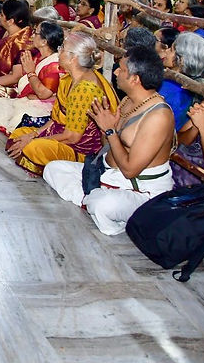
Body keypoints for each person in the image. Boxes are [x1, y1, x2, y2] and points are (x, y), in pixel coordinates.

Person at [44, 47, 175, 235]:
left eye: (121, 69)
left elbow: (130, 170)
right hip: (109, 173)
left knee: (102, 205)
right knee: (53, 169)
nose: (115, 72)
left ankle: (97, 202)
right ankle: (92, 196)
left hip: (140, 190)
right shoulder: (128, 101)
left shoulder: (158, 116)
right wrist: (107, 128)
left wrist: (110, 130)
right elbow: (108, 145)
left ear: (135, 79)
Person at [7, 31, 119, 176]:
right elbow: (56, 120)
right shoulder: (68, 78)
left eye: (62, 49)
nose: (58, 52)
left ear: (73, 58)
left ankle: (55, 164)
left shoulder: (85, 89)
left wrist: (33, 139)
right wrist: (33, 134)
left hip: (80, 149)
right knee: (19, 134)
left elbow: (72, 137)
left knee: (33, 148)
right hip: (61, 134)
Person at [0, 21, 64, 134]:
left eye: (36, 33)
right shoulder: (38, 56)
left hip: (43, 107)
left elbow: (43, 94)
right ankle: (14, 126)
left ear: (44, 41)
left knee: (19, 118)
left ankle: (16, 127)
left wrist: (31, 73)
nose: (32, 35)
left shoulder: (54, 64)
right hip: (26, 100)